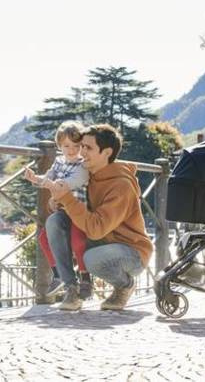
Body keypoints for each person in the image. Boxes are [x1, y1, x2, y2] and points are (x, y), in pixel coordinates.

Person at [45, 124, 153, 311]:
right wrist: (56, 201)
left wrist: (67, 198)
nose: (81, 152)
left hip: (131, 251)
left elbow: (96, 229)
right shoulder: (87, 175)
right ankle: (71, 288)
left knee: (91, 259)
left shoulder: (121, 185)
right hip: (100, 241)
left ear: (107, 153)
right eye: (81, 146)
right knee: (54, 222)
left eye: (88, 148)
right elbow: (75, 207)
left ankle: (125, 285)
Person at [24, 121, 91, 300]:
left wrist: (49, 185)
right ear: (59, 146)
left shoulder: (83, 166)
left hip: (79, 210)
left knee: (78, 241)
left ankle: (85, 278)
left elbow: (68, 184)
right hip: (62, 210)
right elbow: (48, 178)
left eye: (76, 146)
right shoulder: (59, 162)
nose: (71, 150)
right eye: (66, 146)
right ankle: (59, 275)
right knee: (44, 238)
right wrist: (35, 178)